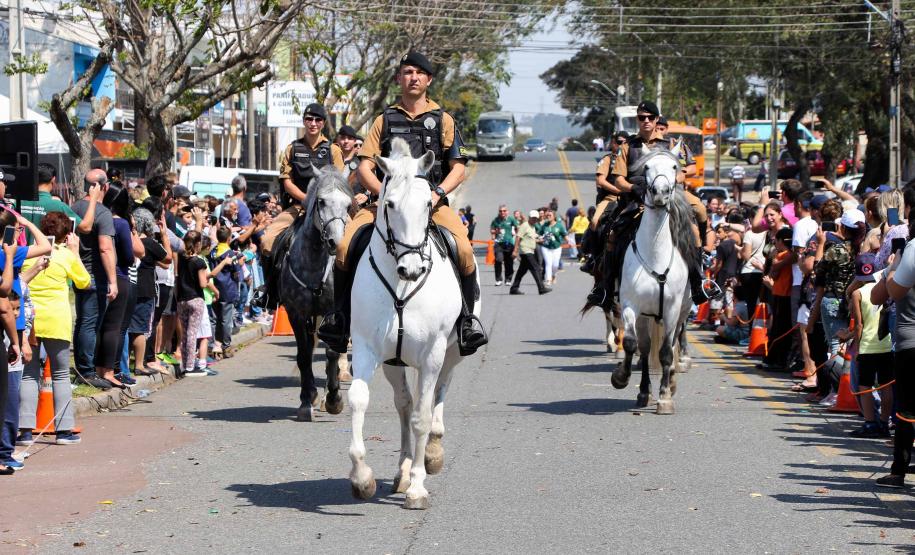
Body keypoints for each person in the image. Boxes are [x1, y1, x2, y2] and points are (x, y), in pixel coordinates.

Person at [318, 51, 487, 356]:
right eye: (407, 72)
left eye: (419, 73)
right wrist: (385, 196)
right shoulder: (384, 119)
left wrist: (437, 195)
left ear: (429, 80)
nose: (413, 78)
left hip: (431, 205)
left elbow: (458, 167)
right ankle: (339, 320)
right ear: (398, 78)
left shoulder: (443, 119)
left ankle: (467, 321)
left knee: (463, 249)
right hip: (385, 205)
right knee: (344, 247)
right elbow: (365, 166)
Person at [593, 100, 710, 308]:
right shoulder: (628, 146)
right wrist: (631, 188)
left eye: (650, 118)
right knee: (611, 233)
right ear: (637, 120)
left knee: (696, 221)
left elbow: (691, 168)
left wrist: (676, 178)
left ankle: (698, 282)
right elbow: (618, 178)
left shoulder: (671, 143)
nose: (645, 121)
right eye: (641, 118)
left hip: (671, 195)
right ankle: (605, 289)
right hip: (636, 197)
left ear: (657, 120)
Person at [17, 212, 90, 446]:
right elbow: (84, 282)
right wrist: (76, 252)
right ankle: (64, 430)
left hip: (31, 320)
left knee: (28, 374)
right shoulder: (66, 255)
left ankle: (25, 430)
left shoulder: (29, 253)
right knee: (59, 374)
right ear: (67, 233)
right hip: (57, 318)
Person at [261, 103, 344, 305]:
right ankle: (270, 293)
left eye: (317, 120)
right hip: (299, 206)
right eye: (309, 119)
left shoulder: (333, 150)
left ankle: (347, 296)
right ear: (304, 122)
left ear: (323, 123)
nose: (313, 124)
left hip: (329, 209)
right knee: (266, 241)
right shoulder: (292, 149)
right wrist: (306, 199)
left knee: (349, 243)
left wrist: (319, 201)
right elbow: (286, 181)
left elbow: (338, 181)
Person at [869, 186, 915, 488]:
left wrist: (893, 265)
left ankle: (899, 470)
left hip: (911, 342)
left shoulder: (911, 250)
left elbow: (888, 293)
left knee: (907, 409)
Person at [94, 184, 141, 389]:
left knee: (99, 326)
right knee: (115, 327)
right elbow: (130, 256)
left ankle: (98, 368)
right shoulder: (120, 224)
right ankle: (110, 370)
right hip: (120, 275)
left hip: (98, 274)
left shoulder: (97, 218)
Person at [72, 170, 116, 388]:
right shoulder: (102, 213)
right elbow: (106, 248)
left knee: (81, 322)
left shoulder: (74, 207)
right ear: (103, 187)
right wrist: (113, 281)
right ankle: (86, 371)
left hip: (77, 272)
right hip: (94, 276)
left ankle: (82, 367)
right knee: (89, 323)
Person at [842, 253, 893, 438]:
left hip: (867, 346)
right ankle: (885, 423)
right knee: (887, 385)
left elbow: (859, 326)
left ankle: (870, 423)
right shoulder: (886, 287)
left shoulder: (857, 293)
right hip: (886, 344)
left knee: (866, 386)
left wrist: (848, 340)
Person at [128, 208, 170, 377]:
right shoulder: (150, 244)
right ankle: (139, 364)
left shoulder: (129, 240)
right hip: (145, 289)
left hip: (130, 285)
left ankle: (124, 362)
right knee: (140, 328)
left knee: (127, 327)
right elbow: (167, 258)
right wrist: (164, 235)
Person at [580, 131, 625, 273]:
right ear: (612, 143)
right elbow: (601, 181)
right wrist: (618, 191)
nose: (621, 145)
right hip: (611, 198)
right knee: (594, 221)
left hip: (632, 197)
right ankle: (593, 258)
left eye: (624, 142)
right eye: (618, 142)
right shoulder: (607, 159)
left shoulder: (631, 159)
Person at [19, 163, 97, 239]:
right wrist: (93, 198)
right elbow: (86, 228)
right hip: (45, 251)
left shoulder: (18, 202)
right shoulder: (58, 205)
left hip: (19, 251)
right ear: (53, 180)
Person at [510, 210, 550, 295]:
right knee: (536, 268)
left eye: (536, 218)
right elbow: (518, 237)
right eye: (533, 218)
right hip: (526, 251)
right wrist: (515, 250)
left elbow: (532, 238)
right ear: (529, 217)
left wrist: (541, 240)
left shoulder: (533, 227)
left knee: (522, 271)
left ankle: (514, 288)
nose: (534, 219)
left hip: (530, 250)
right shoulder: (525, 225)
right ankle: (541, 288)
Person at [490, 205, 517, 286]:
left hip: (509, 243)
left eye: (504, 211)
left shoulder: (511, 219)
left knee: (509, 262)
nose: (502, 212)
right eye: (501, 211)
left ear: (507, 211)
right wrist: (496, 232)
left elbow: (517, 227)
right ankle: (498, 279)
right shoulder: (496, 220)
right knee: (498, 260)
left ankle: (508, 279)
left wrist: (514, 232)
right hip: (499, 243)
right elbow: (492, 230)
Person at [538, 209, 566, 285]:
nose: (548, 216)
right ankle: (548, 280)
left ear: (554, 216)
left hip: (557, 247)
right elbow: (539, 234)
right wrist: (539, 238)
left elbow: (564, 235)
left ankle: (554, 275)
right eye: (547, 215)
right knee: (548, 263)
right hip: (546, 247)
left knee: (555, 265)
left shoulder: (559, 225)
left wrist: (568, 241)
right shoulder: (545, 225)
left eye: (550, 215)